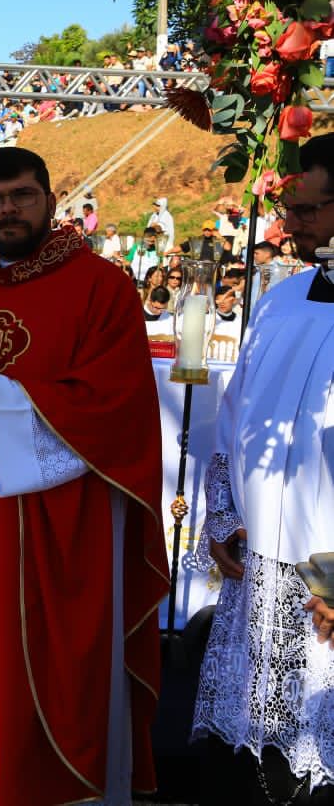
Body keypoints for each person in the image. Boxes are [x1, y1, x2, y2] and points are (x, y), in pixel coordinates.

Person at [0, 147, 167, 804]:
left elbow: (116, 401)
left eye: (21, 195)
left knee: (55, 676)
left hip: (62, 529)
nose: (7, 210)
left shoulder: (102, 286)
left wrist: (2, 398)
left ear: (50, 199)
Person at [190, 132, 334, 805]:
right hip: (263, 574)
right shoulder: (280, 299)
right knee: (256, 763)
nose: (289, 226)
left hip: (326, 581)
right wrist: (222, 512)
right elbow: (234, 416)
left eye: (307, 211)